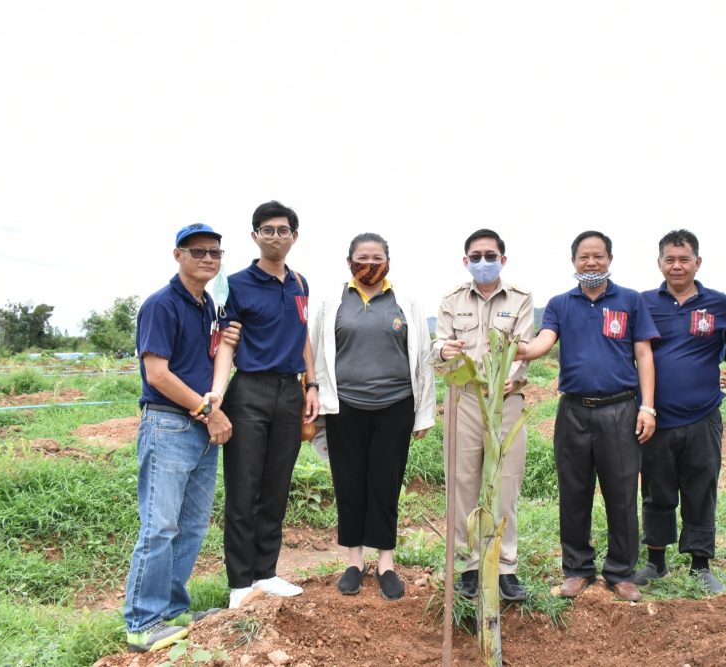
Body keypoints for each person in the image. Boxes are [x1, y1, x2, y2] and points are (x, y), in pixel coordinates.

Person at [518, 230, 657, 602]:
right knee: (574, 492)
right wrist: (519, 350)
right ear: (573, 262)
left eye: (598, 256)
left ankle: (621, 572)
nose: (591, 262)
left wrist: (647, 406)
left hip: (621, 409)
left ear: (610, 259)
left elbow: (644, 354)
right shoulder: (560, 304)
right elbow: (544, 341)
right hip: (574, 411)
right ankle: (577, 569)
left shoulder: (630, 301)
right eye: (584, 257)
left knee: (623, 493)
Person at [124, 223, 240, 652]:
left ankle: (172, 610)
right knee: (160, 525)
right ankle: (141, 622)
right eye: (198, 252)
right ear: (178, 255)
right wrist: (209, 411)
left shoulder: (208, 305)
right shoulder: (161, 304)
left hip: (198, 427)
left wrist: (211, 405)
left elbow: (217, 356)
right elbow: (157, 374)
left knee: (190, 526)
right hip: (170, 423)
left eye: (214, 252)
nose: (208, 258)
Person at [312, 232, 435, 600]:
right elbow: (317, 351)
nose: (369, 263)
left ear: (388, 261)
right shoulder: (332, 301)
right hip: (345, 406)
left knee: (385, 485)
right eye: (362, 257)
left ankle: (386, 563)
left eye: (377, 257)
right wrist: (315, 394)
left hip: (395, 406)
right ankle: (353, 561)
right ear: (349, 261)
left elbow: (423, 358)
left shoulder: (405, 301)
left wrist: (423, 412)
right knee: (349, 483)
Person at [637, 229, 726, 593]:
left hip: (704, 415)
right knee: (656, 489)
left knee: (701, 487)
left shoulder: (718, 303)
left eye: (684, 259)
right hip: (655, 417)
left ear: (697, 262)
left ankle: (700, 565)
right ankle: (655, 562)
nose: (677, 266)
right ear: (660, 263)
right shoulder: (642, 303)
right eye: (670, 260)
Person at [211, 201, 319, 609]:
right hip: (249, 391)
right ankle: (241, 583)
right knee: (244, 488)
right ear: (255, 235)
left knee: (276, 486)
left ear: (295, 235)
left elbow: (303, 336)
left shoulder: (300, 284)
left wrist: (312, 384)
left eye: (283, 229)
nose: (276, 236)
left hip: (290, 392)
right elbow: (225, 339)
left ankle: (266, 572)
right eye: (267, 230)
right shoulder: (235, 284)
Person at [434, 229, 534, 602]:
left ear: (502, 260)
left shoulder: (521, 300)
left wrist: (502, 381)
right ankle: (468, 567)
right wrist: (444, 350)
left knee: (506, 484)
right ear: (466, 261)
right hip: (464, 400)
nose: (483, 262)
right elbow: (439, 342)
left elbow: (520, 347)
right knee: (462, 484)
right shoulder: (451, 300)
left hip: (505, 401)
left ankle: (505, 567)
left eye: (490, 255)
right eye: (475, 256)